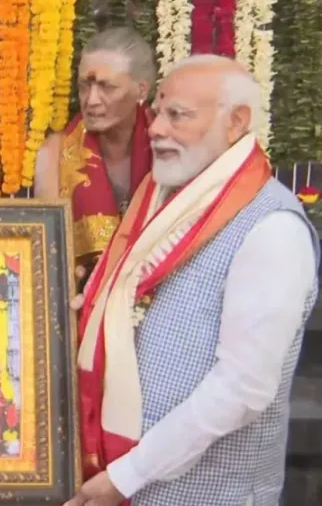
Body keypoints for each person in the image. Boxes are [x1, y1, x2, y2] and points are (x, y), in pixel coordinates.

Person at [65, 55, 319, 506]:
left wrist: (128, 476)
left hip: (203, 492)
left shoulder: (272, 228)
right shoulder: (167, 197)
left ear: (236, 122)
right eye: (157, 113)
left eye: (177, 115)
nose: (157, 129)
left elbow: (242, 389)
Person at [34, 27, 156, 281]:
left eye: (107, 87)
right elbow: (49, 257)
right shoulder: (54, 154)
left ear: (142, 91)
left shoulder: (168, 145)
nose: (91, 101)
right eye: (84, 87)